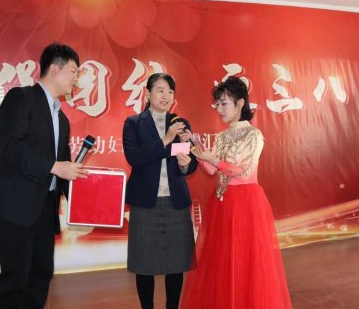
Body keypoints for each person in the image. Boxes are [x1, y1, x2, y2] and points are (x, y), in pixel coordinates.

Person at [0, 42, 87, 309]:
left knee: (40, 277)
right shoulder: (21, 98)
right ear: (54, 69)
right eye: (73, 71)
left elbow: (65, 168)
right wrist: (53, 166)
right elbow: (11, 147)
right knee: (14, 282)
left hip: (44, 210)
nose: (76, 79)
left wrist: (92, 203)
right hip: (14, 207)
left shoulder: (62, 119)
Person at [181, 76, 292, 309]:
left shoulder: (254, 135)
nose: (219, 109)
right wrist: (198, 153)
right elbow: (213, 171)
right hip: (222, 204)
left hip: (246, 204)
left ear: (240, 103)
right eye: (218, 104)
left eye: (224, 104)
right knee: (222, 262)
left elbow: (243, 172)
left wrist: (213, 159)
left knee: (245, 261)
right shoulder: (222, 136)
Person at [122, 73, 198, 309]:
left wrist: (185, 164)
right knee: (144, 265)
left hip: (175, 203)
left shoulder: (181, 123)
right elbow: (135, 157)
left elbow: (191, 163)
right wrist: (166, 139)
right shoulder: (133, 123)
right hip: (146, 203)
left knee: (176, 264)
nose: (166, 96)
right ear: (148, 93)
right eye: (161, 90)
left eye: (170, 92)